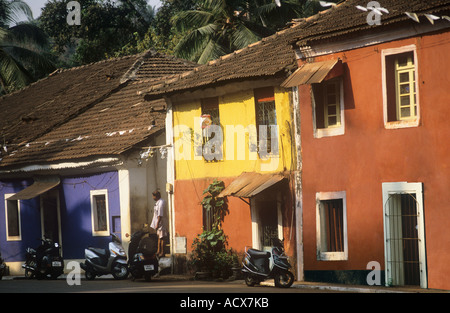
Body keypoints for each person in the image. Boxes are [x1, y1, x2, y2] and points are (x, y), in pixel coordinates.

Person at [150, 191, 167, 257]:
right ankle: (158, 251)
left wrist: (157, 223)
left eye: (153, 196)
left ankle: (162, 252)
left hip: (161, 223)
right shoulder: (158, 203)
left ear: (155, 196)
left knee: (162, 238)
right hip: (158, 223)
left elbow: (160, 214)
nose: (152, 197)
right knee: (159, 238)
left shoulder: (161, 203)